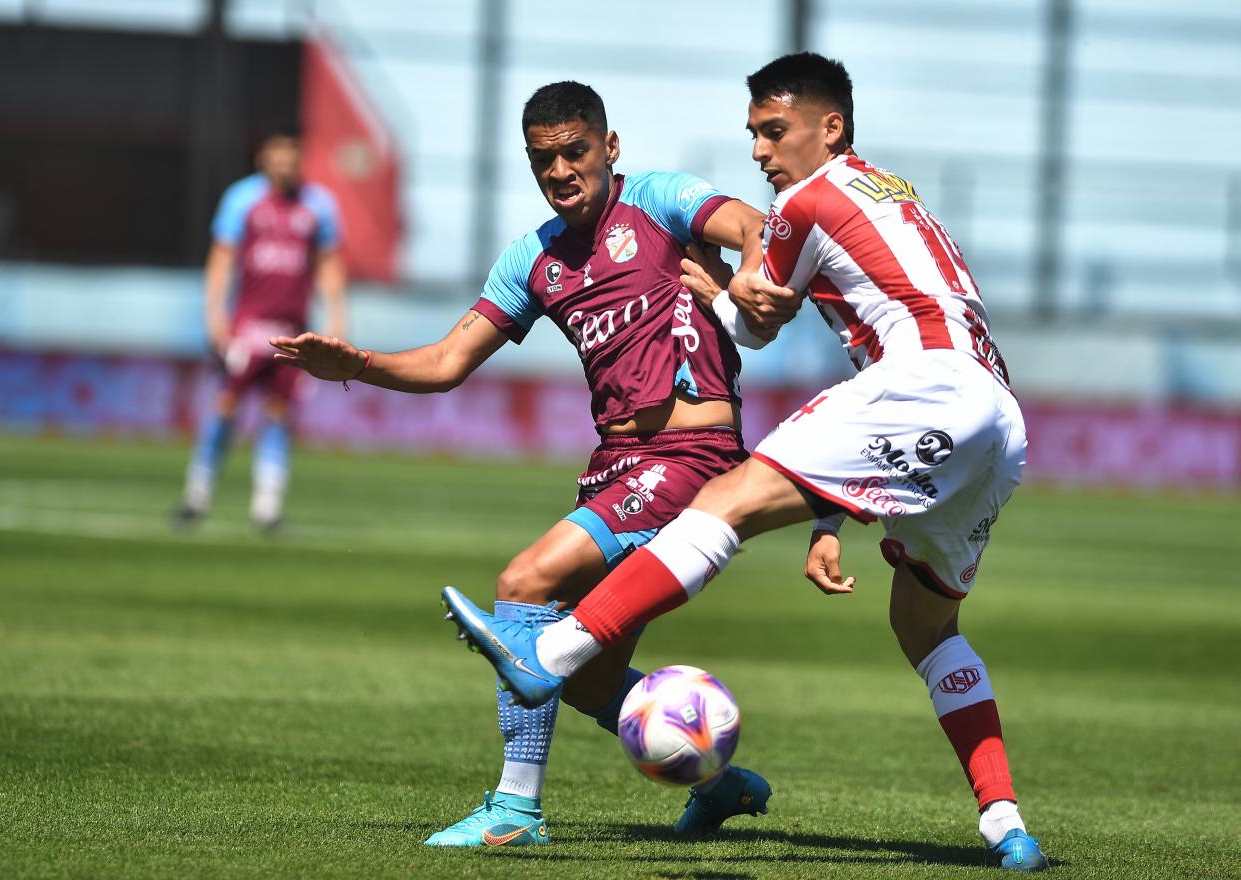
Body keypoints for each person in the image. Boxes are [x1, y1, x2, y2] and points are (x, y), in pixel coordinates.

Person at [442, 54, 1051, 872]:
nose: (761, 154)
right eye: (754, 136)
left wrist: (725, 290)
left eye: (774, 132)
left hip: (926, 385)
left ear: (829, 128)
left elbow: (749, 323)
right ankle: (1005, 823)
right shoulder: (892, 192)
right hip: (995, 418)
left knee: (725, 498)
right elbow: (826, 343)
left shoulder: (802, 200)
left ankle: (548, 654)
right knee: (926, 625)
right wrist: (830, 515)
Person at [271, 81, 774, 847]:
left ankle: (513, 812)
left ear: (609, 148)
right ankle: (720, 783)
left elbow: (749, 223)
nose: (562, 169)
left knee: (522, 587)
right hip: (619, 465)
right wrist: (356, 361)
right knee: (592, 682)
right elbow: (445, 361)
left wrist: (750, 278)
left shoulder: (662, 201)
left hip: (690, 457)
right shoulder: (534, 259)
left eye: (576, 151)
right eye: (545, 159)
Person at [174, 132, 346, 532]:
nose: (286, 163)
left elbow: (328, 265)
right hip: (247, 328)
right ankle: (196, 496)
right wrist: (214, 314)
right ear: (263, 158)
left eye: (293, 155)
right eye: (279, 154)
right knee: (225, 405)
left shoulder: (319, 205)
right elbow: (221, 259)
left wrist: (337, 315)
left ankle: (267, 508)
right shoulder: (241, 199)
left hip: (292, 332)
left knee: (279, 413)